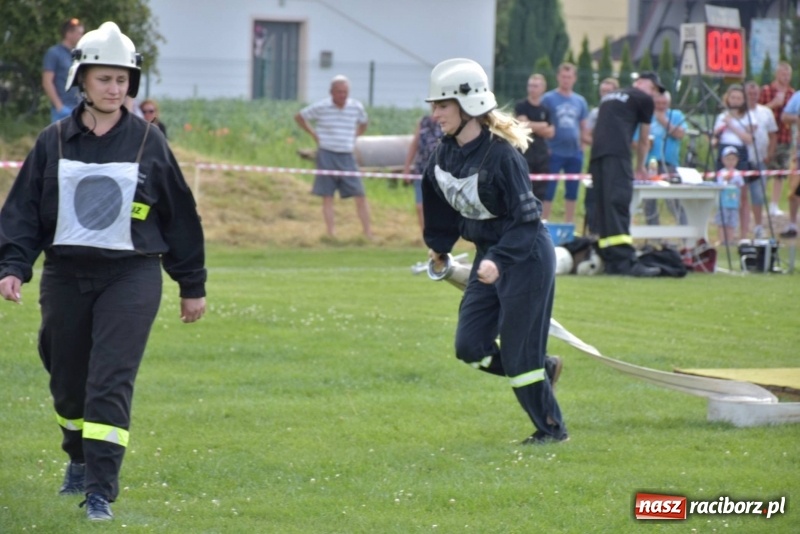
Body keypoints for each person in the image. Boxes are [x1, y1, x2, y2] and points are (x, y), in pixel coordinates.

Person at [0, 22, 207, 521]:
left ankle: (99, 489)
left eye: (123, 80)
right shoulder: (53, 141)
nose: (115, 89)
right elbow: (24, 210)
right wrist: (13, 266)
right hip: (65, 275)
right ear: (82, 81)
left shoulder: (149, 143)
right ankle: (77, 456)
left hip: (131, 275)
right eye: (105, 79)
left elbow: (179, 216)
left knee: (110, 380)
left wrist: (191, 284)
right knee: (68, 381)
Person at [421, 58, 567, 445]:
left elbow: (526, 222)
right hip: (490, 257)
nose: (435, 114)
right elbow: (438, 206)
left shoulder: (503, 157)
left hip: (525, 257)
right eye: (434, 106)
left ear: (469, 105)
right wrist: (439, 249)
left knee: (521, 357)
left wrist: (498, 261)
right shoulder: (442, 156)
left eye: (442, 105)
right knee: (469, 347)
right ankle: (543, 367)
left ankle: (552, 430)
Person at [588, 71, 664, 277]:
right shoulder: (644, 99)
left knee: (604, 207)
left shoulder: (610, 97)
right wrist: (640, 166)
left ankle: (610, 259)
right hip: (617, 156)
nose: (655, 95)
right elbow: (644, 139)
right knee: (618, 203)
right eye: (654, 89)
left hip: (597, 156)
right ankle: (624, 261)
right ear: (640, 83)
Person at [294, 75, 373, 239]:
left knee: (359, 194)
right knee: (327, 195)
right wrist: (313, 134)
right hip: (327, 153)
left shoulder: (355, 107)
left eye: (345, 92)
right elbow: (300, 117)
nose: (342, 95)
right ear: (331, 92)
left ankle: (367, 233)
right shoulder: (322, 107)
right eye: (339, 92)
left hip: (347, 155)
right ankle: (331, 233)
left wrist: (355, 136)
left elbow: (364, 122)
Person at [541, 63, 589, 224]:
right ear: (558, 77)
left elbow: (583, 126)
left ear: (574, 79)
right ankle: (544, 223)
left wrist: (583, 146)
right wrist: (545, 147)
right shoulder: (548, 99)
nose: (566, 80)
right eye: (563, 76)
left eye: (569, 77)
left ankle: (569, 224)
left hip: (574, 153)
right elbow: (543, 124)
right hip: (554, 151)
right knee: (548, 189)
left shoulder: (580, 101)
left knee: (572, 190)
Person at [634, 90, 687, 226]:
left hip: (670, 163)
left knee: (674, 201)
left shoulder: (676, 115)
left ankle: (685, 233)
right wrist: (644, 144)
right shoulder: (645, 116)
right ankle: (653, 238)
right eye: (657, 103)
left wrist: (663, 120)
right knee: (649, 202)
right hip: (649, 164)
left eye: (664, 103)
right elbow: (634, 141)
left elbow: (680, 134)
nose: (661, 106)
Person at [713, 84, 754, 238]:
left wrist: (732, 125)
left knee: (742, 195)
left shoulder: (748, 117)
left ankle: (743, 234)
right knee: (722, 194)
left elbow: (749, 139)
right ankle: (722, 234)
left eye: (738, 98)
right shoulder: (721, 116)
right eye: (733, 97)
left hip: (740, 152)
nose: (735, 100)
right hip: (723, 150)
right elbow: (715, 138)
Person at [758, 61, 794, 217]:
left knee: (780, 172)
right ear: (776, 74)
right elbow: (758, 111)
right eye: (783, 74)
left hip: (785, 136)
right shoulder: (767, 90)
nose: (785, 77)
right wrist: (774, 104)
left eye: (788, 75)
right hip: (767, 137)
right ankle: (761, 202)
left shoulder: (792, 94)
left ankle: (774, 205)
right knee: (764, 170)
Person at [583, 77, 619, 235]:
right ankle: (593, 228)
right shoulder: (595, 113)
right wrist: (600, 144)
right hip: (597, 159)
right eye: (603, 91)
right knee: (593, 196)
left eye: (609, 92)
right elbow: (585, 135)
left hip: (617, 160)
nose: (605, 95)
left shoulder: (622, 113)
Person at [744, 81, 778, 239]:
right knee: (741, 194)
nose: (752, 96)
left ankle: (758, 225)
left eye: (755, 94)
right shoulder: (739, 112)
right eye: (749, 94)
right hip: (742, 158)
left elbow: (773, 135)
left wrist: (769, 154)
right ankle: (742, 226)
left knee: (758, 194)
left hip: (760, 158)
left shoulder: (766, 112)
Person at [514, 73, 555, 202]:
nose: (532, 89)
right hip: (525, 152)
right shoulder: (521, 106)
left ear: (543, 88)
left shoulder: (546, 109)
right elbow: (523, 125)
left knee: (541, 189)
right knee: (524, 187)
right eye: (530, 85)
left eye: (536, 86)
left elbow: (551, 132)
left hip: (541, 154)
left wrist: (532, 125)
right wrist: (542, 125)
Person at [403, 114, 442, 231]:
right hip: (421, 169)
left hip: (441, 171)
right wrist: (407, 167)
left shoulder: (448, 122)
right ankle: (426, 235)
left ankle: (440, 234)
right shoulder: (423, 121)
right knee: (420, 206)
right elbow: (415, 144)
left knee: (438, 206)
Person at [42, 18, 85, 123]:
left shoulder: (79, 55)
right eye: (79, 33)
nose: (81, 37)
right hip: (64, 109)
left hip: (80, 108)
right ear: (68, 33)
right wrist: (59, 106)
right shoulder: (54, 53)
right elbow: (47, 82)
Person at [779, 90, 800, 238]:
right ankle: (792, 224)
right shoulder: (798, 96)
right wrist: (797, 118)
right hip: (798, 153)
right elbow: (784, 116)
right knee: (794, 190)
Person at [714, 146, 746, 245]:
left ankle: (730, 240)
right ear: (723, 160)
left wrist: (740, 200)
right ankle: (722, 239)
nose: (731, 161)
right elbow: (719, 185)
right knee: (722, 221)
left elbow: (741, 187)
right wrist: (726, 179)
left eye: (733, 159)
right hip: (723, 202)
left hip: (734, 202)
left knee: (732, 222)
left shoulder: (738, 174)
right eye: (728, 159)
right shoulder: (721, 173)